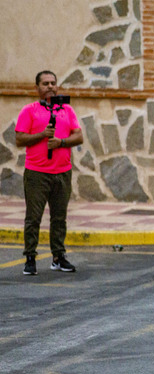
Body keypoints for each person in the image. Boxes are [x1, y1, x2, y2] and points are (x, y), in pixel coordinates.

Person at [15, 71, 83, 276]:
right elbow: (20, 139)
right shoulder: (29, 111)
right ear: (37, 88)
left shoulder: (66, 110)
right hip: (37, 173)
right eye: (45, 84)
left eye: (53, 83)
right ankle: (30, 257)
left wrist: (61, 142)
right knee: (33, 217)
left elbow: (78, 136)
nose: (51, 87)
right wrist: (42, 135)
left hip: (62, 172)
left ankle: (58, 257)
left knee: (59, 217)